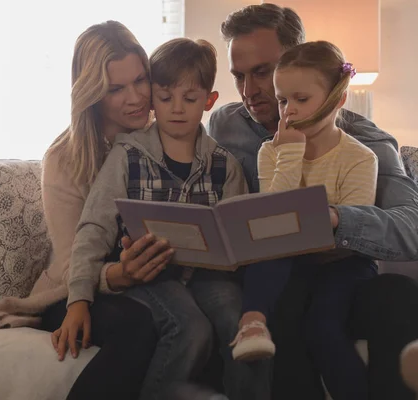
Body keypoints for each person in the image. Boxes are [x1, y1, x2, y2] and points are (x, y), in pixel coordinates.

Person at [208, 3, 418, 399]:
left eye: (262, 72)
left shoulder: (368, 144)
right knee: (279, 300)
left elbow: (411, 226)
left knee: (398, 297)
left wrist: (337, 218)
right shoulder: (226, 125)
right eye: (239, 76)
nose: (250, 92)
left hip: (341, 270)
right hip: (273, 271)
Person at [66, 37, 268, 400]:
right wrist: (78, 297)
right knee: (189, 326)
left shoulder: (225, 165)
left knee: (238, 321)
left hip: (209, 276)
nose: (177, 108)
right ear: (152, 99)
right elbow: (93, 229)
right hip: (152, 275)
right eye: (165, 97)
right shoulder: (128, 155)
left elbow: (242, 236)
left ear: (209, 101)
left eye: (190, 99)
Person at [0, 21, 174, 400]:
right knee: (140, 326)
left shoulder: (167, 137)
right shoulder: (66, 159)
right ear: (93, 93)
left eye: (140, 80)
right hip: (73, 293)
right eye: (117, 89)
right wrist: (120, 275)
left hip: (152, 283)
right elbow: (73, 265)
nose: (136, 97)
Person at [230, 40, 379, 399]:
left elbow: (353, 228)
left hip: (342, 262)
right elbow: (270, 213)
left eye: (301, 99)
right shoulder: (271, 151)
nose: (289, 111)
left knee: (322, 326)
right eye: (283, 101)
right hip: (292, 258)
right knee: (274, 270)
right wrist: (290, 152)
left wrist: (316, 222)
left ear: (336, 100)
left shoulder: (360, 158)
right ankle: (253, 321)